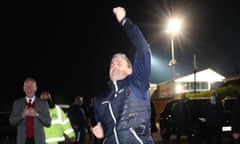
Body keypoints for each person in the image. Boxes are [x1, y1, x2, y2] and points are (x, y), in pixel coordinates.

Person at [92, 6, 154, 144]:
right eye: (112, 64)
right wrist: (100, 130)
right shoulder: (99, 100)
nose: (114, 66)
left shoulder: (137, 83)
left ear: (130, 70)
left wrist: (125, 22)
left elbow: (143, 49)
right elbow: (103, 126)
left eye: (119, 63)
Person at [9, 77, 51, 144]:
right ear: (23, 88)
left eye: (31, 86)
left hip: (38, 140)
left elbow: (48, 123)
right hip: (23, 141)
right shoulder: (17, 103)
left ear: (35, 88)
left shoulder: (43, 103)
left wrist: (37, 114)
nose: (29, 88)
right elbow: (11, 121)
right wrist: (22, 114)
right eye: (26, 86)